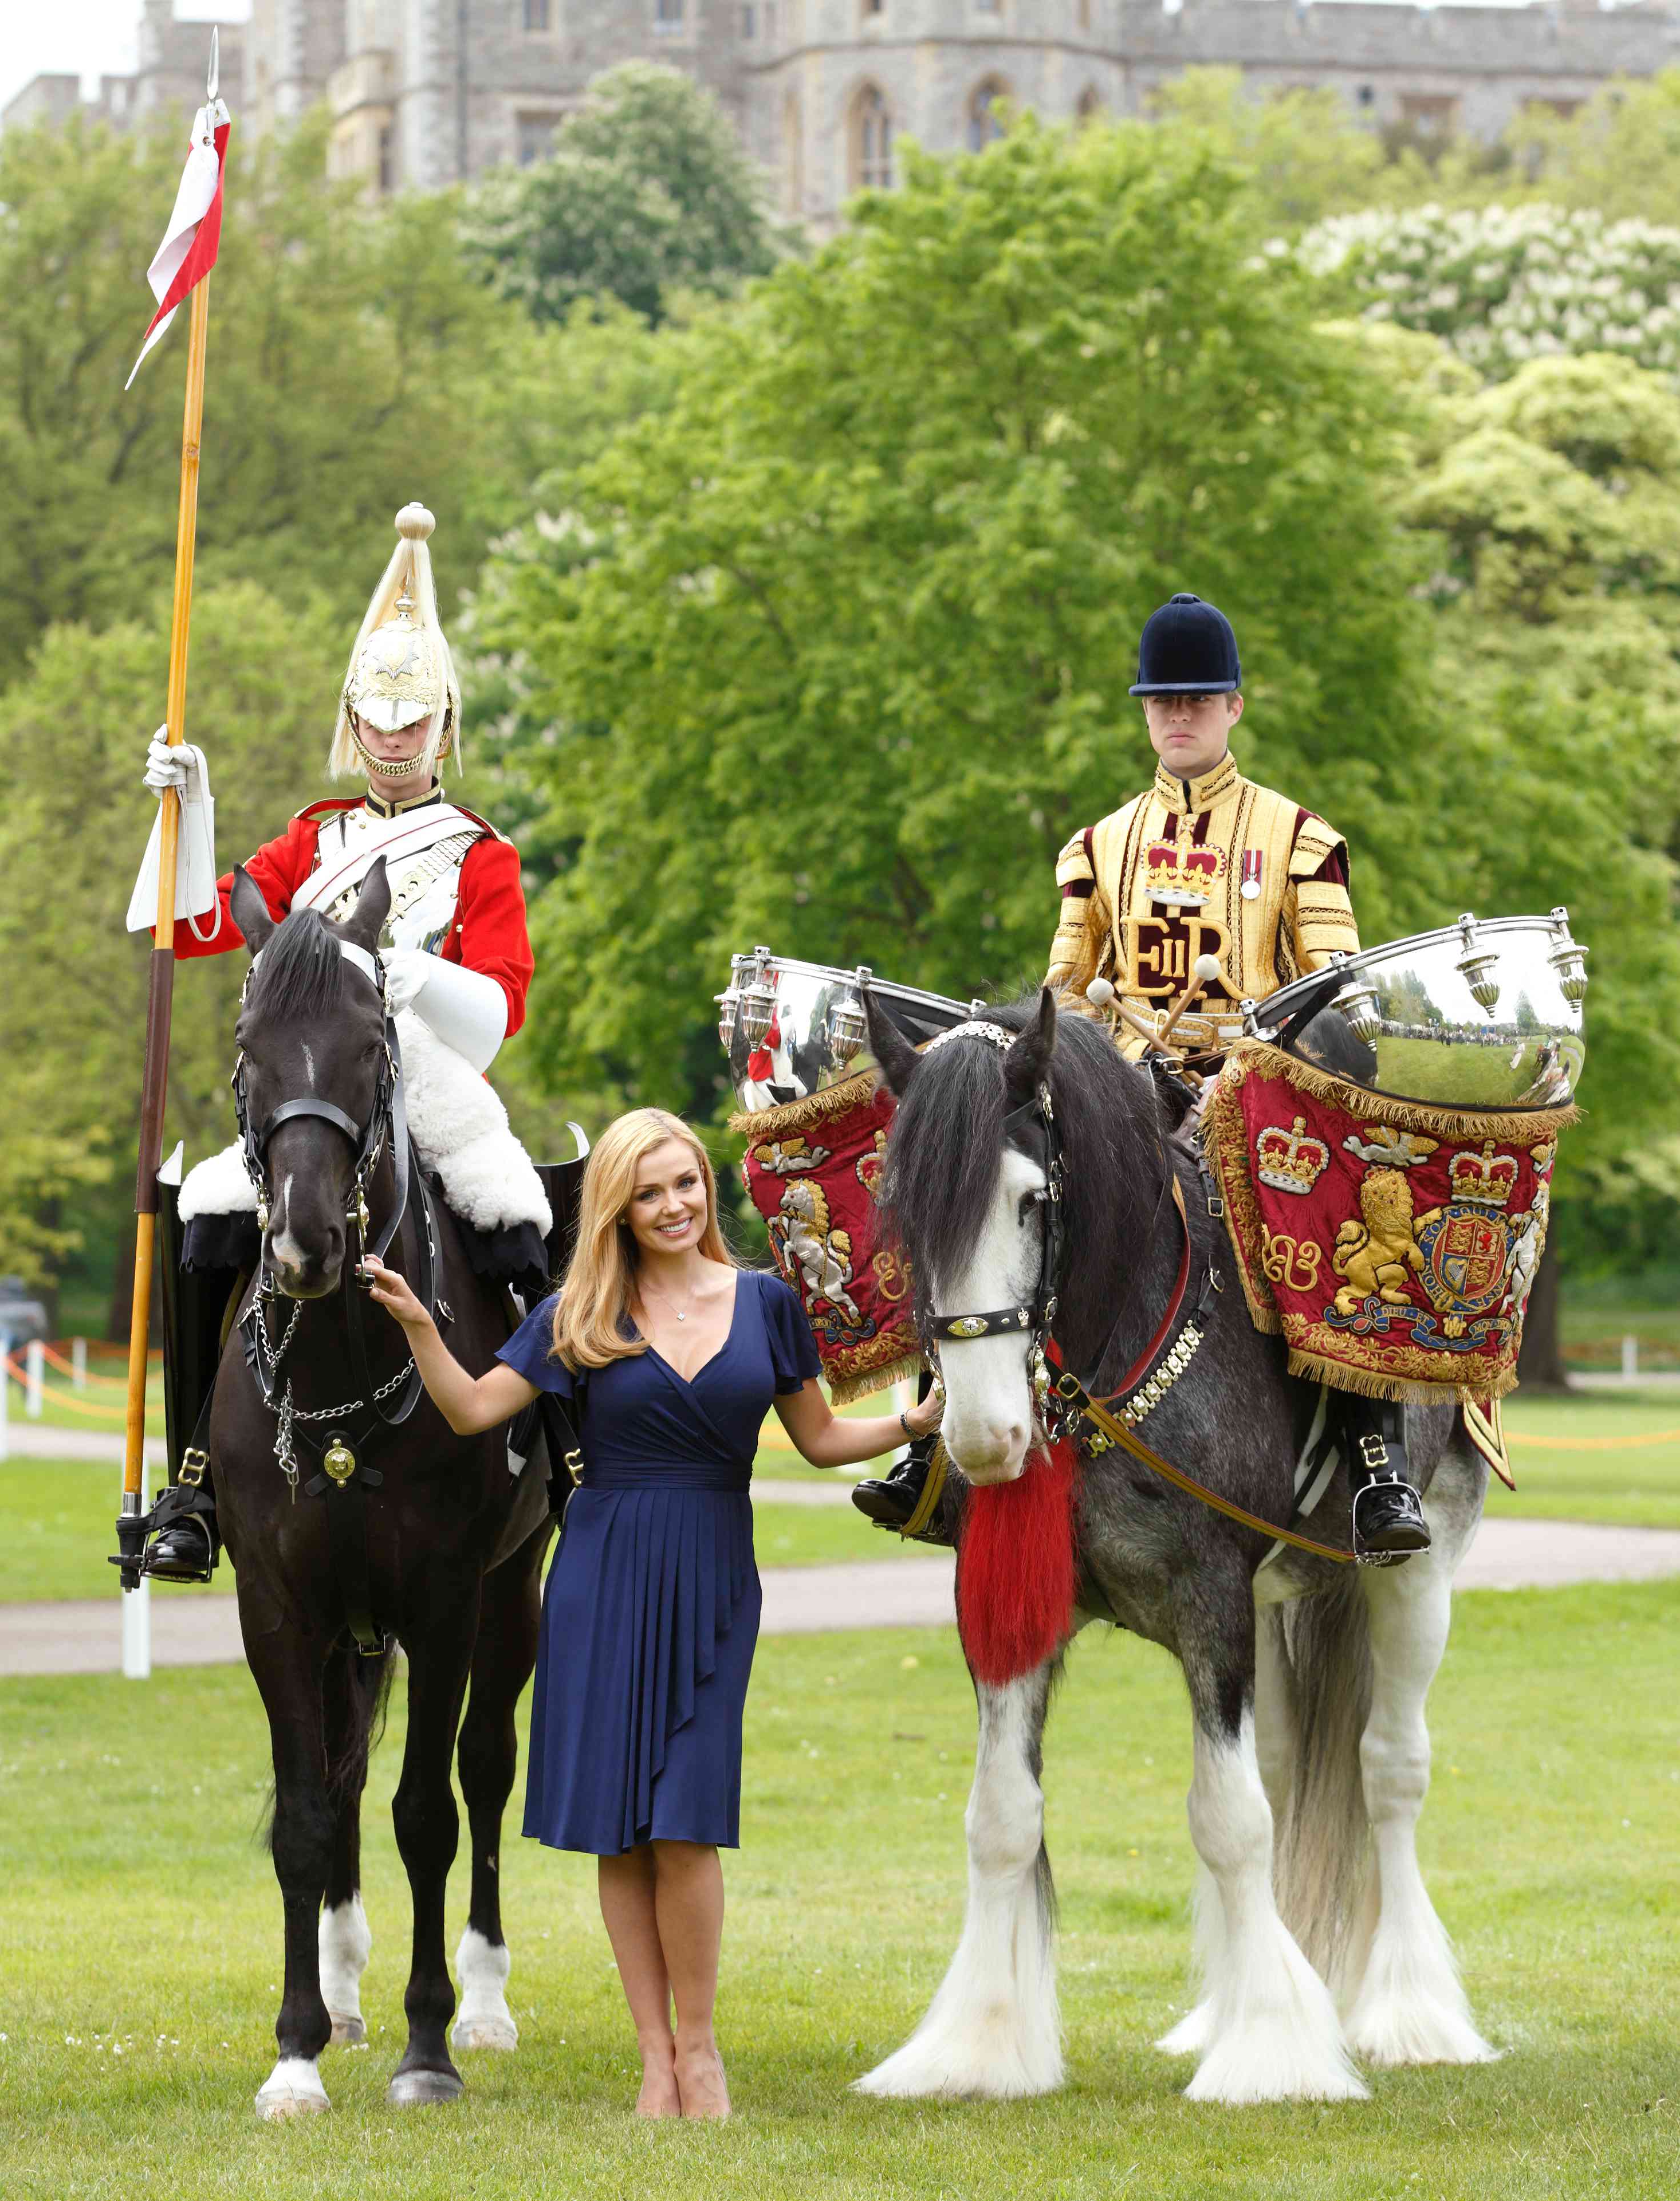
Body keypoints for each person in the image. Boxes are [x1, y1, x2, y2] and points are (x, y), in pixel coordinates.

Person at [364, 1107, 943, 2119]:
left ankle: (703, 2049)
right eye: (648, 1190)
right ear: (617, 1207)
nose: (672, 1204)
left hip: (713, 1571)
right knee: (619, 1827)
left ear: (703, 1190)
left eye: (685, 1183)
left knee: (685, 1820)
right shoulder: (576, 1313)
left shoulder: (765, 1303)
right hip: (599, 1572)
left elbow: (813, 1437)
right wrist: (420, 1324)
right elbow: (468, 1408)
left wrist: (908, 1420)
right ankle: (653, 2059)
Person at [853, 592, 1429, 1559]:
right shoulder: (1096, 846)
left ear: (1235, 706)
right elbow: (1060, 989)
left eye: (1199, 697)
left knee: (1326, 1211)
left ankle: (1374, 1456)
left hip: (1254, 1093)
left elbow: (1337, 995)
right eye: (1162, 698)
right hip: (1119, 1093)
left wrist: (1249, 1061)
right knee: (980, 1198)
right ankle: (935, 1451)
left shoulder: (1300, 839)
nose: (1179, 713)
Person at [134, 502, 543, 1581]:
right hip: (315, 1084)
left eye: (415, 724)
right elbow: (198, 923)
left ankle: (559, 1446)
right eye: (379, 721)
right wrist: (194, 808)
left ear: (443, 729)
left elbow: (500, 1006)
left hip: (432, 1082)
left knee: (519, 1206)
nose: (396, 742)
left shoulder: (480, 855)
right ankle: (192, 1477)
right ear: (354, 725)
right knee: (211, 1206)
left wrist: (421, 977)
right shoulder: (313, 838)